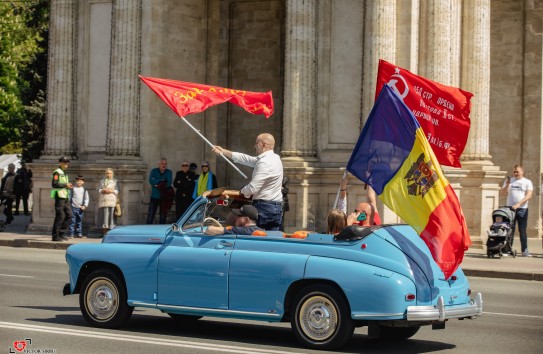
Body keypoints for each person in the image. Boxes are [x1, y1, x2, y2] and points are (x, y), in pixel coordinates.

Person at [212, 133, 283, 230]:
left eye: (256, 143)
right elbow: (247, 159)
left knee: (256, 239)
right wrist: (223, 152)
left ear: (263, 144)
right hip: (275, 207)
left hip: (264, 207)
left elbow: (253, 188)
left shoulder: (265, 162)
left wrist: (242, 191)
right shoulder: (275, 158)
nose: (254, 146)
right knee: (271, 240)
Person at [500, 164, 533, 257]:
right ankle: (507, 249)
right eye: (514, 172)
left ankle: (524, 250)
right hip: (510, 209)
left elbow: (529, 195)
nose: (515, 173)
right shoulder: (509, 181)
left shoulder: (527, 182)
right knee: (510, 230)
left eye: (517, 172)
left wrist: (518, 204)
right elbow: (502, 193)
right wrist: (507, 185)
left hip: (522, 209)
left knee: (522, 230)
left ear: (522, 172)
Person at [51, 156, 74, 241]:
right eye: (65, 162)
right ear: (60, 163)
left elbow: (64, 183)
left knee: (69, 215)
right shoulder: (57, 172)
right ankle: (55, 235)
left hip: (65, 196)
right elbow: (54, 184)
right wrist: (66, 185)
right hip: (59, 196)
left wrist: (68, 185)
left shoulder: (64, 172)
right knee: (60, 216)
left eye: (67, 162)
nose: (66, 164)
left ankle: (61, 233)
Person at [146, 158, 172, 224]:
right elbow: (151, 180)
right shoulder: (154, 171)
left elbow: (168, 183)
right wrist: (162, 180)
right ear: (159, 164)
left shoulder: (169, 172)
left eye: (165, 164)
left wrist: (157, 182)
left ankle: (161, 232)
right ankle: (147, 230)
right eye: (162, 163)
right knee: (150, 215)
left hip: (164, 197)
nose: (164, 165)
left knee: (163, 217)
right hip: (154, 196)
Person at [97, 168, 120, 236]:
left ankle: (111, 232)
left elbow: (117, 191)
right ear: (105, 174)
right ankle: (104, 232)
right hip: (103, 201)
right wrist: (102, 190)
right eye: (107, 173)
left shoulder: (115, 181)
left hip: (111, 201)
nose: (108, 175)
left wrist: (110, 191)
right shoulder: (102, 181)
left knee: (111, 217)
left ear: (112, 174)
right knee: (103, 217)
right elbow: (99, 189)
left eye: (110, 173)